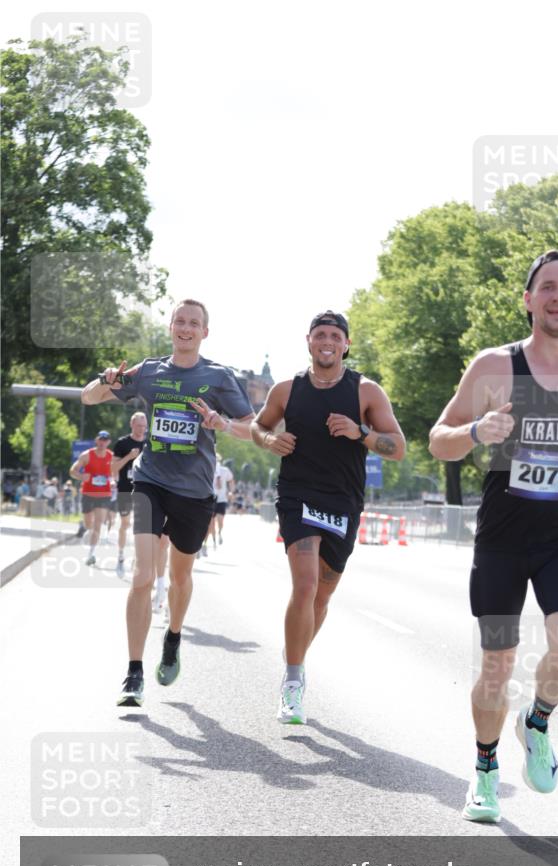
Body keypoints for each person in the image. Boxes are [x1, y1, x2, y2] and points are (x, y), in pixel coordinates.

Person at [429, 250, 558, 823]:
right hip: (500, 542)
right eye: (547, 287)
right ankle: (485, 772)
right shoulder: (495, 367)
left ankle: (537, 721)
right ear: (528, 299)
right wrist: (477, 429)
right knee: (497, 665)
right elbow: (439, 439)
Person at [81, 298, 255, 708]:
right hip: (150, 481)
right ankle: (133, 673)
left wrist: (222, 423)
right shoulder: (149, 371)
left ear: (204, 332)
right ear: (171, 327)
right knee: (143, 575)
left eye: (194, 323)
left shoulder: (218, 377)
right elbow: (89, 397)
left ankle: (173, 635)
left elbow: (253, 429)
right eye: (180, 321)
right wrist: (106, 379)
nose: (186, 328)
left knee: (179, 578)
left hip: (194, 491)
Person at [251, 309, 406, 725]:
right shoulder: (286, 389)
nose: (327, 342)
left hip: (343, 502)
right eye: (320, 334)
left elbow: (398, 447)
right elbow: (257, 427)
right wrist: (270, 440)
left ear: (346, 344)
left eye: (335, 336)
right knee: (304, 585)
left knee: (321, 596)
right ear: (308, 341)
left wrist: (361, 433)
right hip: (297, 494)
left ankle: (295, 655)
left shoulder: (366, 391)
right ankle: (293, 681)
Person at [69, 432, 114, 565]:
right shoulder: (87, 455)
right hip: (88, 494)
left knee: (97, 524)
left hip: (104, 495)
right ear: (96, 440)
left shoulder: (112, 457)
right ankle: (88, 530)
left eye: (105, 440)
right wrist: (81, 476)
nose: (102, 443)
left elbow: (116, 474)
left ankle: (91, 554)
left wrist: (113, 481)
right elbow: (72, 470)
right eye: (100, 440)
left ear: (109, 442)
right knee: (89, 524)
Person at [112, 411, 148, 575]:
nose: (142, 429)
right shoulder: (122, 443)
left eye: (144, 426)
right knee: (125, 524)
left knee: (141, 527)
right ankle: (120, 555)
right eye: (139, 426)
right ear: (132, 424)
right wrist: (129, 457)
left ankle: (136, 559)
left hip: (145, 490)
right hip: (125, 489)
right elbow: (113, 468)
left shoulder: (149, 443)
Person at [213, 454, 235, 543]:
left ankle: (219, 533)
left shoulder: (225, 470)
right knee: (211, 522)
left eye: (217, 460)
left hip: (222, 499)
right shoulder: (209, 469)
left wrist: (231, 492)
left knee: (220, 520)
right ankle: (213, 538)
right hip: (211, 499)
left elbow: (231, 480)